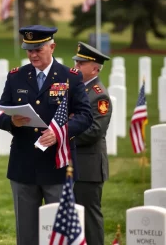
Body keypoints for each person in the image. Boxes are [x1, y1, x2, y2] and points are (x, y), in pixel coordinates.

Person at [0, 25, 93, 245]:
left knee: (59, 232)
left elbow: (86, 116)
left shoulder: (71, 77)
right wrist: (11, 121)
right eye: (29, 50)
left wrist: (60, 133)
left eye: (38, 49)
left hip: (56, 166)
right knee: (26, 234)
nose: (33, 54)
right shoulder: (16, 77)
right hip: (24, 165)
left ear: (52, 47)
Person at [72, 41, 112, 245]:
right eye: (76, 63)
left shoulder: (99, 95)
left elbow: (95, 131)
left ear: (95, 68)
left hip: (88, 168)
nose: (76, 67)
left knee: (89, 218)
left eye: (81, 64)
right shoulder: (77, 89)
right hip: (71, 164)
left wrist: (64, 136)